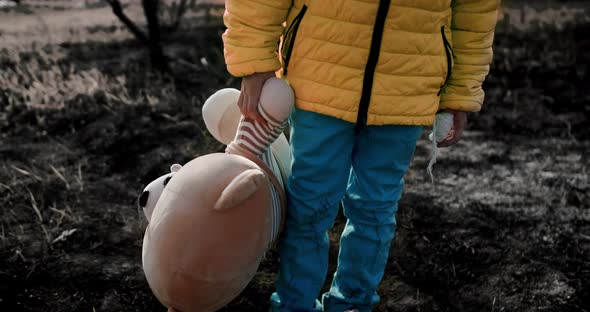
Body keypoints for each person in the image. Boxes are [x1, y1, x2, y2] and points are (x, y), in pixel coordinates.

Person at [222, 1, 500, 311]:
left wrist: (460, 92)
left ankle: (352, 303)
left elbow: (475, 12)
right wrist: (254, 62)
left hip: (408, 87)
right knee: (309, 205)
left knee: (375, 209)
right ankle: (294, 304)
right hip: (319, 78)